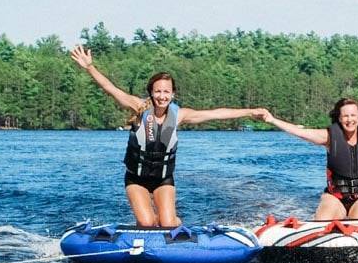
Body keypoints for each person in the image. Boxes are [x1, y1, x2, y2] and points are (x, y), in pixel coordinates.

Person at [70, 46, 265, 227]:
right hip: (136, 178)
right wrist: (89, 67)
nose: (162, 96)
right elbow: (110, 89)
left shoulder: (179, 115)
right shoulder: (139, 107)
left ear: (173, 94)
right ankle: (144, 233)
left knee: (168, 224)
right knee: (147, 223)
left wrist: (249, 111)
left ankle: (174, 226)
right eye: (158, 91)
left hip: (163, 179)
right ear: (151, 93)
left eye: (166, 92)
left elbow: (217, 113)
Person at [260, 76, 358, 220]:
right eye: (345, 116)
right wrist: (272, 120)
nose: (350, 120)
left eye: (353, 115)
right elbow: (300, 132)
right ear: (339, 118)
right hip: (335, 198)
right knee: (323, 220)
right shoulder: (329, 136)